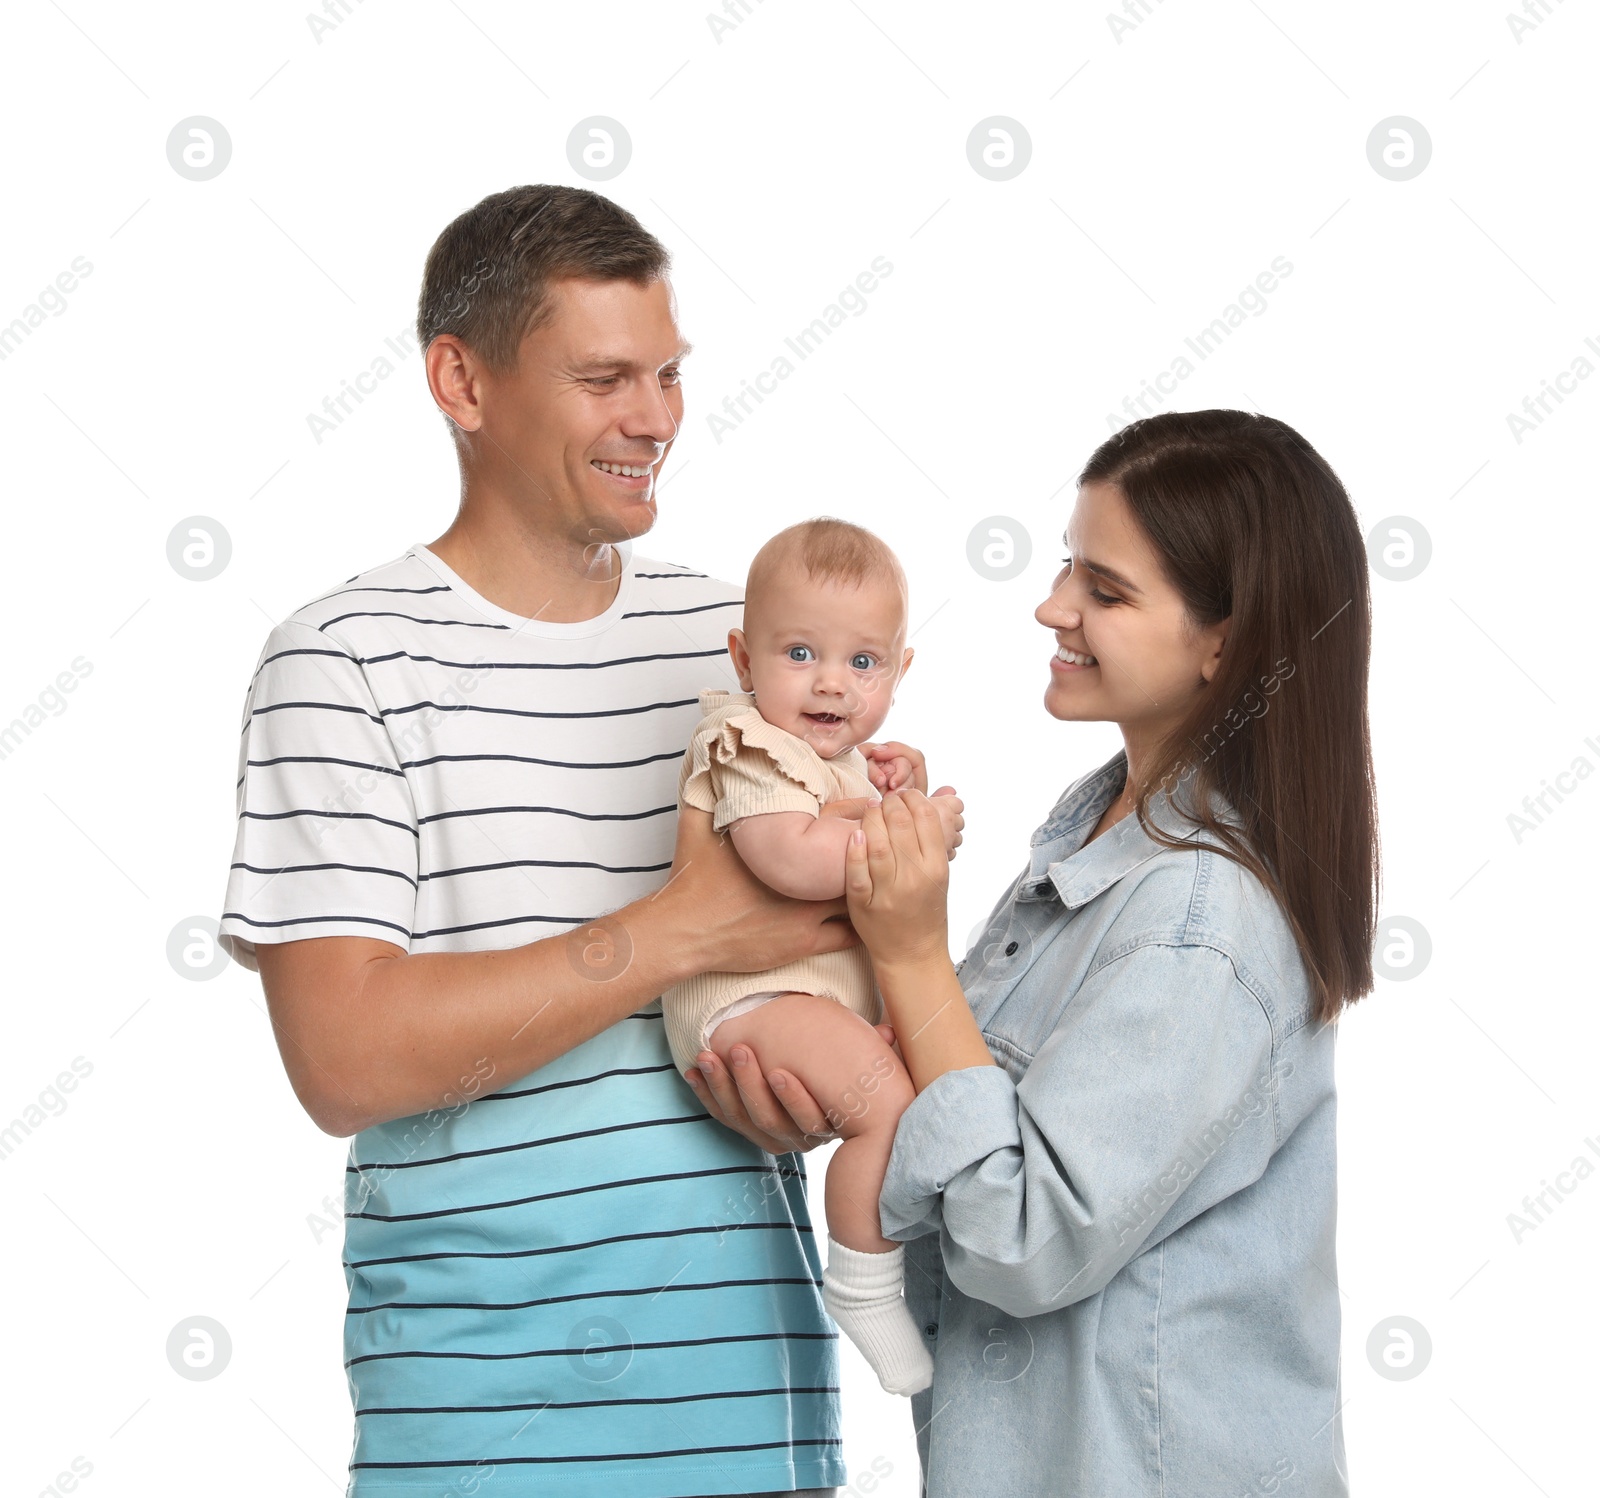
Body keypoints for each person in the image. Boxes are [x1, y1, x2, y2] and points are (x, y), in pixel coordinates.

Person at [217, 183, 918, 1498]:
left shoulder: (747, 636)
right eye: (603, 376)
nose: (652, 417)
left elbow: (850, 939)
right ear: (461, 381)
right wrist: (683, 931)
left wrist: (811, 1077)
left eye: (666, 373)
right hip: (483, 1430)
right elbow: (346, 1058)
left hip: (751, 1419)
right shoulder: (344, 661)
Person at [690, 409, 1379, 1496]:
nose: (1052, 605)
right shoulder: (1095, 835)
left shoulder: (1199, 918)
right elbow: (968, 1133)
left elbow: (1020, 1238)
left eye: (1103, 591)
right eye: (1068, 566)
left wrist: (910, 949)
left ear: (1223, 643)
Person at [661, 517, 963, 1397]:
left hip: (806, 999)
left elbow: (843, 821)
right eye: (800, 654)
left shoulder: (838, 759)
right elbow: (791, 857)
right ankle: (866, 1281)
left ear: (899, 674)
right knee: (885, 1104)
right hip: (746, 1003)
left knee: (931, 1075)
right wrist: (913, 831)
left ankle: (896, 1255)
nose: (832, 683)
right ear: (743, 660)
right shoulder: (747, 745)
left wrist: (891, 794)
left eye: (863, 664)